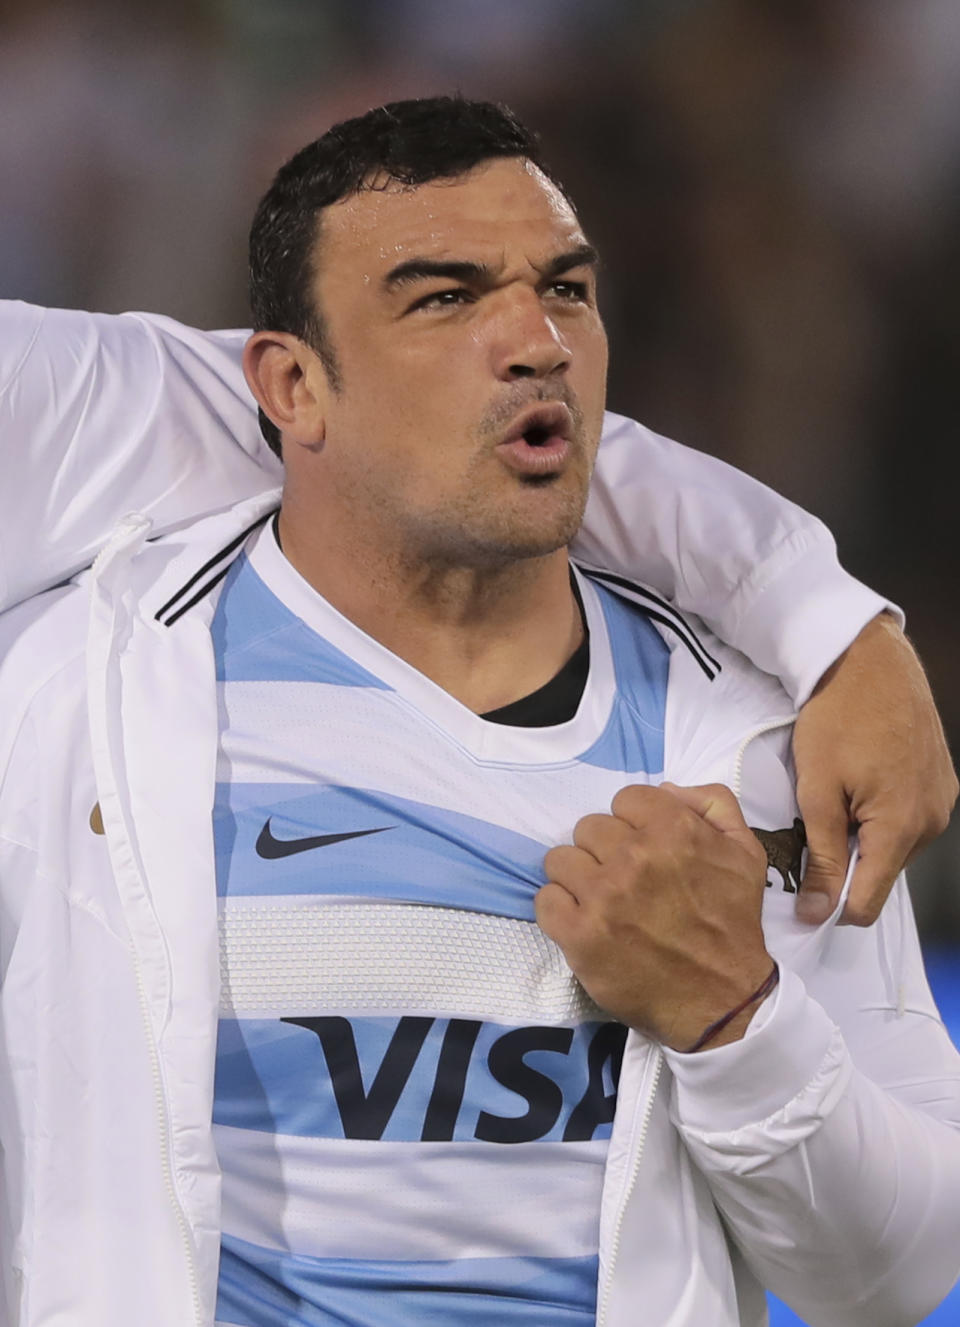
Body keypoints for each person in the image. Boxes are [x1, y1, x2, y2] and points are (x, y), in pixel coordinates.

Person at [0, 96, 957, 1327]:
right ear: (289, 386)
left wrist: (740, 1026)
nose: (538, 340)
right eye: (445, 295)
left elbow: (896, 1277)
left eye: (568, 289)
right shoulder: (70, 700)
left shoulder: (761, 755)